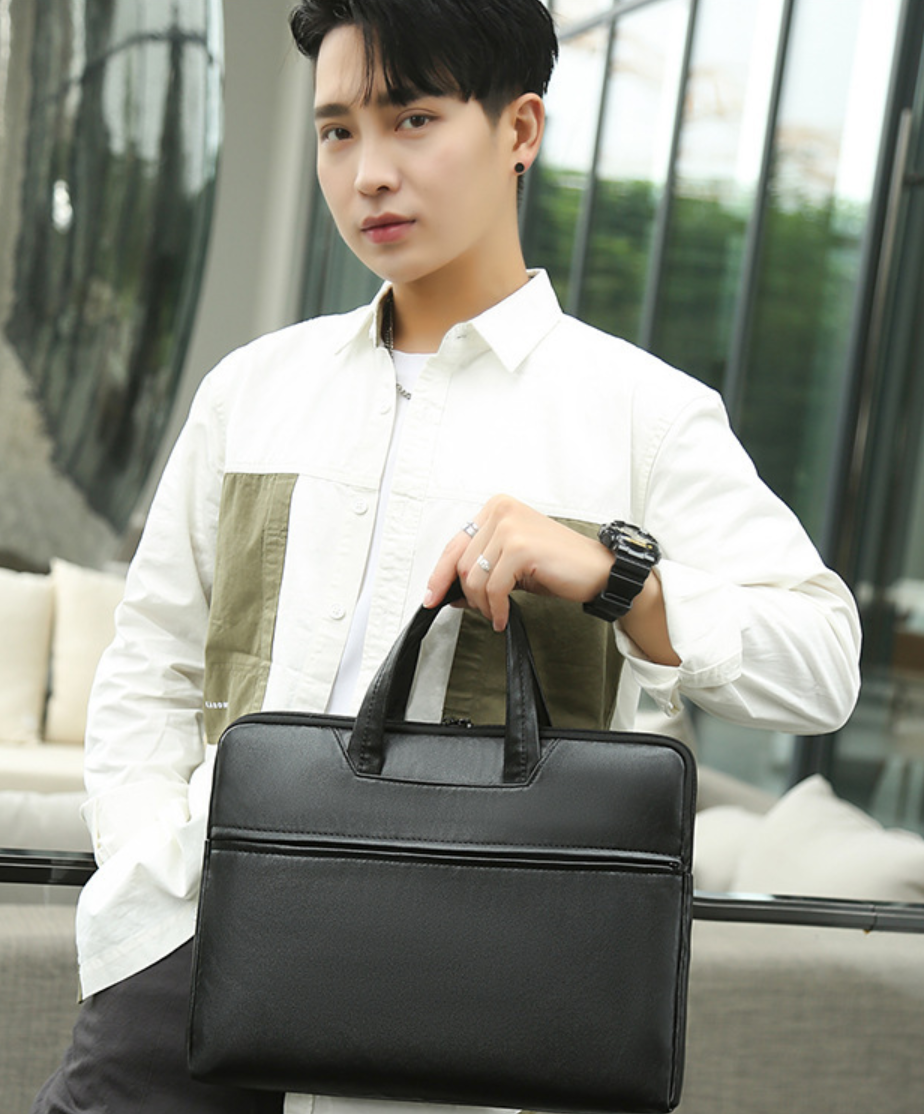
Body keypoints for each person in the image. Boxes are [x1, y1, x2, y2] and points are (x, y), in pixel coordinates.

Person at [32, 1, 862, 1111]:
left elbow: (823, 662)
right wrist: (151, 872)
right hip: (187, 956)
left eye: (412, 119)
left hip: (458, 997)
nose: (369, 171)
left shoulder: (640, 415)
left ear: (520, 129)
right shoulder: (253, 391)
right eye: (337, 130)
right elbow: (153, 660)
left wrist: (616, 576)